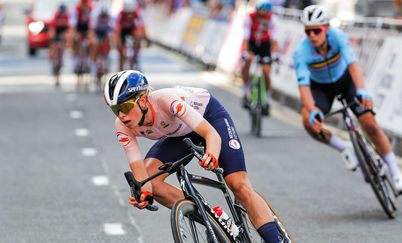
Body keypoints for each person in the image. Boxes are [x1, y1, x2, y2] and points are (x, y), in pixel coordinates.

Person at [104, 70, 283, 242]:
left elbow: (210, 134)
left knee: (238, 184)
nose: (121, 115)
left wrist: (211, 154)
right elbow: (139, 170)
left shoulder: (167, 101)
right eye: (115, 109)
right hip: (181, 133)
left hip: (210, 119)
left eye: (125, 107)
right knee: (152, 181)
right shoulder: (122, 125)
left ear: (143, 100)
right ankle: (214, 218)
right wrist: (144, 193)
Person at [293, 5, 402, 193]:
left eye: (316, 30)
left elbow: (353, 65)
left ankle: (395, 172)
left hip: (345, 82)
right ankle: (345, 147)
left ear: (327, 28)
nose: (312, 35)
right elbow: (303, 86)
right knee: (307, 120)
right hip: (321, 88)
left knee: (370, 124)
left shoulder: (338, 37)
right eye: (308, 31)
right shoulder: (301, 52)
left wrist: (361, 90)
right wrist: (312, 110)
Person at [241, 0, 279, 115]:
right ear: (256, 12)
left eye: (264, 15)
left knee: (266, 71)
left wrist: (275, 55)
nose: (261, 18)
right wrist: (245, 52)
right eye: (259, 15)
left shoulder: (272, 19)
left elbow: (275, 40)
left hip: (265, 44)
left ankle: (267, 100)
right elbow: (245, 38)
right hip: (252, 43)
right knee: (247, 61)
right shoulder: (249, 18)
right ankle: (246, 89)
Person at [114, 0, 149, 71]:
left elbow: (142, 27)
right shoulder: (120, 15)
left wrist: (145, 39)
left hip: (133, 30)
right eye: (127, 13)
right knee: (121, 53)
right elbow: (117, 31)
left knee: (138, 35)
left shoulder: (138, 13)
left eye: (131, 13)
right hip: (123, 32)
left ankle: (136, 56)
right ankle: (120, 71)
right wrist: (118, 43)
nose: (129, 16)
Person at [48, 3, 70, 86]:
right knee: (54, 49)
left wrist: (68, 40)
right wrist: (53, 40)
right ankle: (53, 63)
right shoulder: (56, 16)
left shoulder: (67, 16)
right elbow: (52, 30)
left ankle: (62, 61)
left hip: (62, 37)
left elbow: (69, 29)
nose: (62, 14)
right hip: (55, 36)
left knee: (63, 48)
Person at [70, 0, 93, 73]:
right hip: (78, 28)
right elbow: (73, 24)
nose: (84, 6)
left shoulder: (91, 9)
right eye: (83, 4)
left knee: (91, 41)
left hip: (87, 27)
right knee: (75, 39)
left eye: (86, 4)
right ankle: (76, 61)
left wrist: (90, 34)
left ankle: (89, 61)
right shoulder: (76, 9)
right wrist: (74, 34)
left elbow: (92, 23)